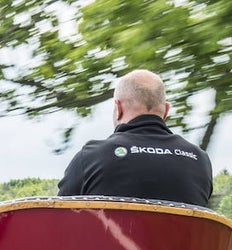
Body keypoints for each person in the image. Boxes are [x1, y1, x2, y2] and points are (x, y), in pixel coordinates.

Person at [57, 69, 213, 207]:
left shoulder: (91, 157)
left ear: (118, 108)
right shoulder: (200, 160)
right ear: (166, 110)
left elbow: (57, 220)